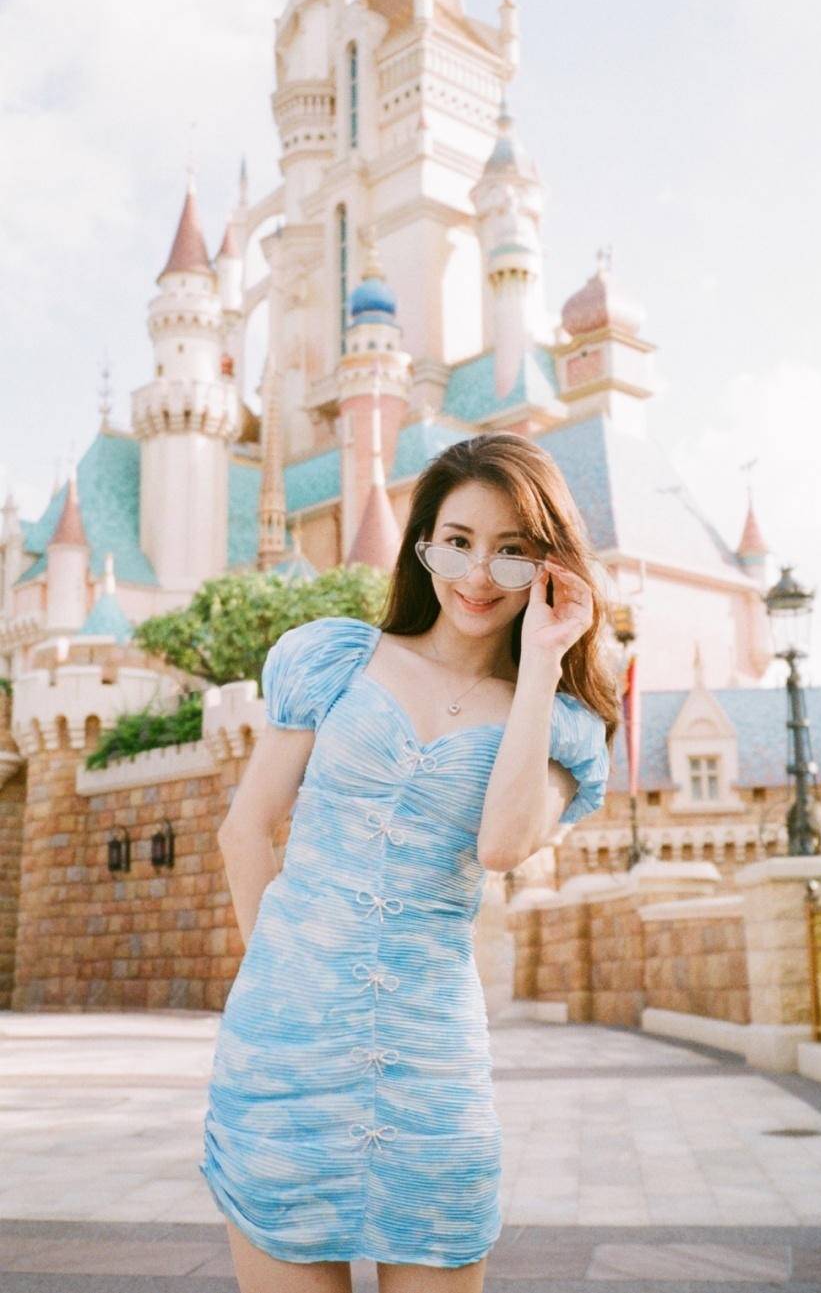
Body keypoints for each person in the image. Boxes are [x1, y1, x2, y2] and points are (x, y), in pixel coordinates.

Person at [200, 431, 618, 1293]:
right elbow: (246, 831)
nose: (477, 574)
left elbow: (502, 844)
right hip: (283, 1059)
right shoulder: (336, 660)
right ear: (424, 542)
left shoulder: (560, 727)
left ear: (548, 567)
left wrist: (543, 662)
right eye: (458, 541)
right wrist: (279, 983)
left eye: (511, 551)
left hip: (432, 1070)